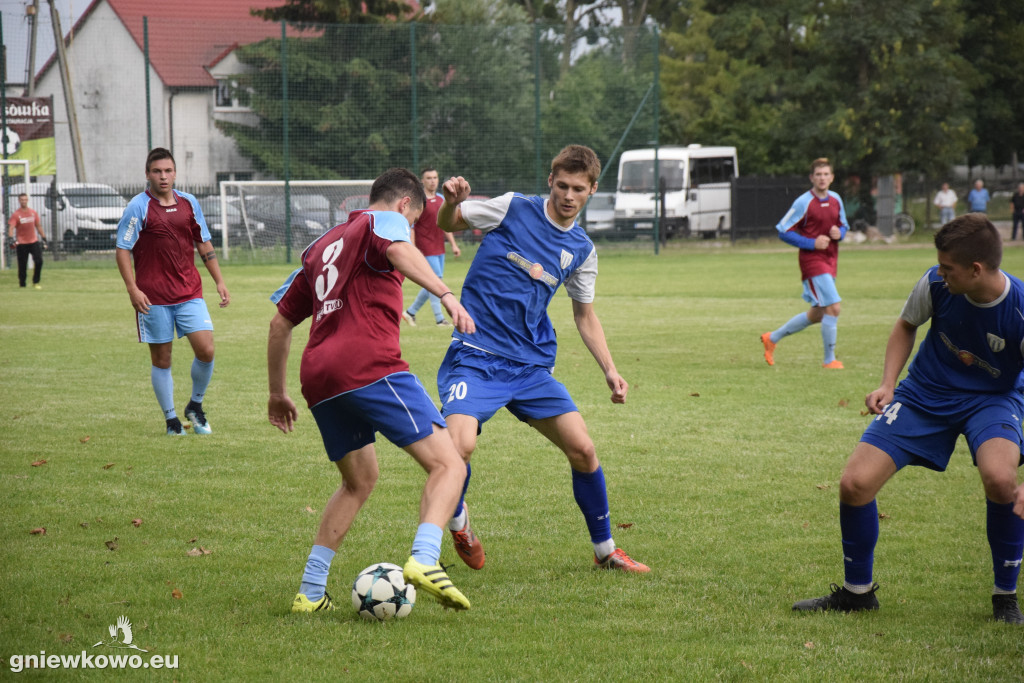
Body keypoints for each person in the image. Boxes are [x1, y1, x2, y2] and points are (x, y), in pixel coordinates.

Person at [792, 214, 1024, 624]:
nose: (940, 273)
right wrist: (888, 383)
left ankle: (1004, 596)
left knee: (1001, 479)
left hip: (993, 399)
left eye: (948, 268)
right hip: (925, 393)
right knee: (854, 482)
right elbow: (906, 325)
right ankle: (857, 593)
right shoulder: (935, 284)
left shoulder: (1020, 309)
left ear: (976, 269)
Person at [267, 168, 476, 613]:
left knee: (358, 481)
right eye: (415, 221)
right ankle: (424, 559)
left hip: (317, 376)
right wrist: (446, 294)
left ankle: (309, 591)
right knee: (449, 465)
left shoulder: (319, 245)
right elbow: (399, 249)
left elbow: (280, 321)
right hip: (368, 364)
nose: (412, 230)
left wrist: (276, 392)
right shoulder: (383, 220)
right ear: (404, 205)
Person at [434, 144, 649, 574]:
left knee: (584, 450)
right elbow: (450, 222)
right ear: (550, 181)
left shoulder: (583, 251)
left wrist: (610, 369)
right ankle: (459, 522)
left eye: (579, 189)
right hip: (476, 355)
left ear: (592, 190)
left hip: (529, 366)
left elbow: (584, 315)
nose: (569, 196)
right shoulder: (513, 207)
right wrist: (450, 203)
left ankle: (605, 552)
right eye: (563, 186)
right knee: (458, 448)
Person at [115, 148, 230, 436]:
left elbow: (203, 243)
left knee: (206, 350)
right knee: (162, 359)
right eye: (157, 171)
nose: (163, 176)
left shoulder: (189, 203)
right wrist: (132, 289)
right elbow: (122, 250)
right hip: (153, 298)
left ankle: (195, 405)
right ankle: (171, 421)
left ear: (175, 173)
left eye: (168, 171)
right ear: (147, 174)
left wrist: (219, 280)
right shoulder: (138, 207)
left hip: (190, 292)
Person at [761, 158, 849, 369]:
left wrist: (841, 232)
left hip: (830, 259)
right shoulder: (803, 202)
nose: (822, 178)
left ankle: (772, 338)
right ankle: (829, 360)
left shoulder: (836, 199)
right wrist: (811, 242)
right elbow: (783, 230)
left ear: (832, 177)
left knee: (818, 313)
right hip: (812, 261)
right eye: (818, 174)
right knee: (834, 308)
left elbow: (843, 224)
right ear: (812, 178)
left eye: (826, 174)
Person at [402, 167, 461, 327]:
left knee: (433, 283)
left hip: (439, 248)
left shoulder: (442, 199)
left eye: (435, 177)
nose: (432, 181)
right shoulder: (419, 201)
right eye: (429, 178)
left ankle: (410, 312)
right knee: (436, 282)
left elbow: (445, 225)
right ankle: (439, 319)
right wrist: (412, 248)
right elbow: (412, 226)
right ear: (422, 181)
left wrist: (454, 245)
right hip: (424, 248)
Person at [7, 192, 47, 289]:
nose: (24, 201)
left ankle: (36, 282)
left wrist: (44, 238)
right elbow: (11, 227)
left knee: (39, 261)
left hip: (33, 241)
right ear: (19, 201)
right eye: (22, 200)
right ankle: (22, 284)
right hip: (22, 243)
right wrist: (11, 238)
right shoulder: (16, 214)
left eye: (25, 200)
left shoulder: (33, 213)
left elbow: (38, 226)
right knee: (22, 265)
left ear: (27, 200)